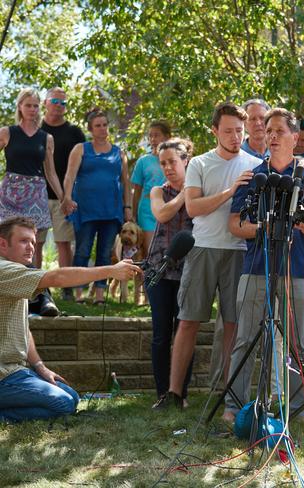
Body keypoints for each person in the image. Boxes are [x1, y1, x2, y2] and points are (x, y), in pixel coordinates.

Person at [223, 107, 304, 424]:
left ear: (295, 137)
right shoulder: (253, 177)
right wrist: (262, 229)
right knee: (246, 338)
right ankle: (234, 405)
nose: (273, 136)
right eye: (268, 131)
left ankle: (297, 407)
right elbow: (233, 225)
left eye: (280, 130)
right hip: (256, 268)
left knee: (296, 341)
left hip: (297, 269)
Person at [156, 103, 259, 409]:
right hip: (202, 249)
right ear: (214, 131)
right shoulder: (200, 163)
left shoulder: (255, 164)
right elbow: (194, 207)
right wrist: (230, 191)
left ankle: (228, 396)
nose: (235, 136)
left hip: (240, 252)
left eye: (239, 130)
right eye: (228, 130)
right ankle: (175, 394)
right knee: (188, 321)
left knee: (232, 325)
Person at [0, 216, 141, 423]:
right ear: (3, 244)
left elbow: (23, 328)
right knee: (63, 403)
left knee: (71, 397)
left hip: (15, 371)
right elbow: (57, 278)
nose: (31, 247)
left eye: (32, 241)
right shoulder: (4, 270)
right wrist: (111, 270)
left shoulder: (18, 276)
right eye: (23, 241)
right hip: (4, 375)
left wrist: (40, 367)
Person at [62, 108, 132, 305]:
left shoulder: (119, 152)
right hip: (85, 210)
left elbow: (125, 182)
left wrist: (127, 207)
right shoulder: (81, 149)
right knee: (83, 251)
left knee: (104, 253)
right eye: (98, 126)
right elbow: (70, 176)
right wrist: (66, 198)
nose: (102, 129)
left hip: (111, 211)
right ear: (91, 129)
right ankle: (79, 293)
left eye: (104, 125)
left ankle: (100, 295)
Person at [146, 138, 195, 409]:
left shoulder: (199, 190)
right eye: (162, 163)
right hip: (159, 271)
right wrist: (182, 194)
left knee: (185, 330)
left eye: (172, 162)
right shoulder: (158, 191)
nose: (167, 167)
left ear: (186, 160)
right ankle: (162, 393)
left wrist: (191, 192)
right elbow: (162, 214)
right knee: (161, 334)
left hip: (189, 271)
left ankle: (182, 393)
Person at [0, 88, 64, 263]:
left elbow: (51, 173)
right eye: (28, 105)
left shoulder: (46, 138)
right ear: (20, 106)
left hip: (36, 195)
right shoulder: (7, 132)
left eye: (35, 106)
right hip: (10, 194)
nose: (32, 109)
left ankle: (36, 286)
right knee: (6, 241)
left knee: (33, 243)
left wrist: (63, 198)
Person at [37, 88, 86, 293]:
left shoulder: (74, 132)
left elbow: (84, 164)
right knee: (35, 243)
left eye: (63, 102)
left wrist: (69, 196)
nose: (59, 105)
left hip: (63, 197)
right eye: (55, 101)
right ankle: (36, 288)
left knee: (63, 243)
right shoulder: (34, 129)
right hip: (36, 197)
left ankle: (66, 289)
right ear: (45, 103)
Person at [131, 120, 171, 254]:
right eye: (150, 136)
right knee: (150, 252)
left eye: (157, 135)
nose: (153, 139)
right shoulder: (143, 161)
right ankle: (148, 276)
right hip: (147, 211)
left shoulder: (174, 160)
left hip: (169, 209)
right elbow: (137, 191)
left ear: (166, 137)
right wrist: (133, 214)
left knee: (166, 252)